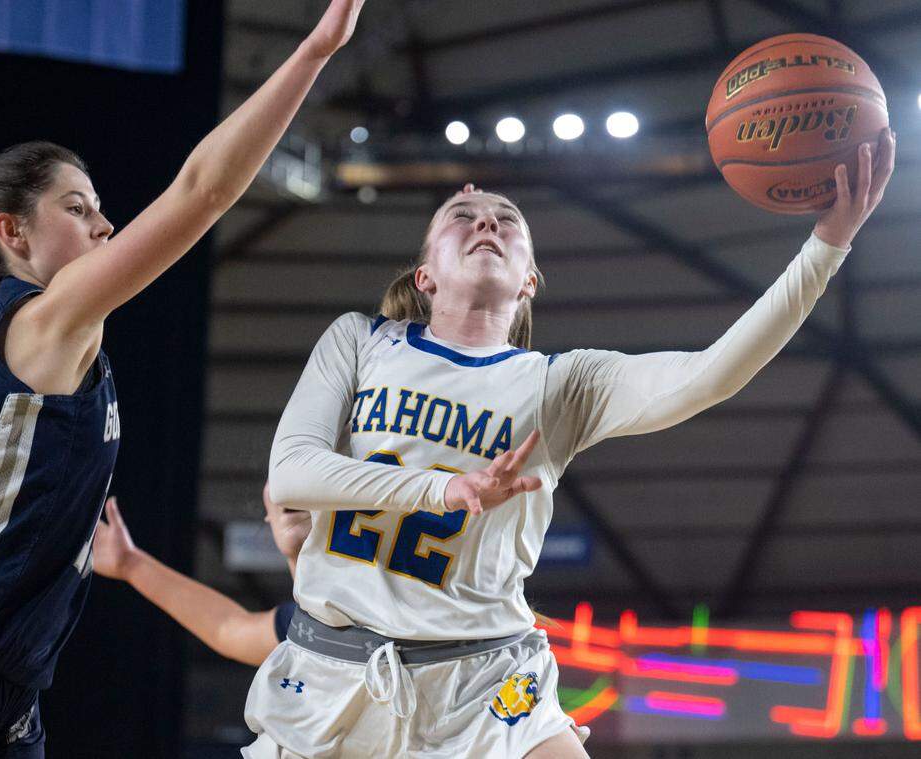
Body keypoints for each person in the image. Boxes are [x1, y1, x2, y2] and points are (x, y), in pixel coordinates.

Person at [0, 2, 365, 756]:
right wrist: (315, 50)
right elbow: (201, 191)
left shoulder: (7, 370)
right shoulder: (39, 321)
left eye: (102, 210)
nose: (106, 226)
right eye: (79, 209)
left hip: (5, 693)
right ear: (14, 234)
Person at [244, 131, 897, 758]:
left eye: (506, 220)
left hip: (485, 675)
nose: (487, 224)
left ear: (529, 278)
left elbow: (709, 373)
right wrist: (445, 488)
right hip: (332, 667)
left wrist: (828, 244)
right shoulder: (361, 340)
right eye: (462, 215)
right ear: (425, 277)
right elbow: (293, 470)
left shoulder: (562, 382)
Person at [92, 485, 307, 666]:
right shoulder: (302, 627)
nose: (289, 484)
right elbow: (227, 628)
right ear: (267, 516)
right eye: (280, 471)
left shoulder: (335, 610)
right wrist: (130, 563)